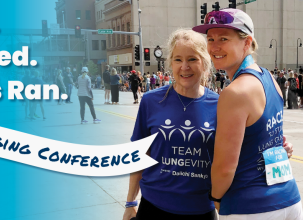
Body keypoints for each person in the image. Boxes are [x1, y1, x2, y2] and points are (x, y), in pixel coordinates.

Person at [193, 8, 301, 219]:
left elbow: (225, 167)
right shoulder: (268, 78)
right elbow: (268, 139)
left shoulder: (235, 92)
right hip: (289, 199)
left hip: (251, 206)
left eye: (224, 38)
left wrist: (215, 198)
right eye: (210, 38)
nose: (214, 46)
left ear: (246, 42)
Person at [124, 28, 219, 220]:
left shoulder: (220, 105)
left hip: (200, 209)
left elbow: (237, 154)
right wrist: (130, 202)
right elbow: (139, 155)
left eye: (192, 59)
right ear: (171, 63)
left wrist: (277, 148)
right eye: (178, 59)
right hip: (154, 207)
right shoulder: (151, 101)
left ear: (204, 62)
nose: (184, 66)